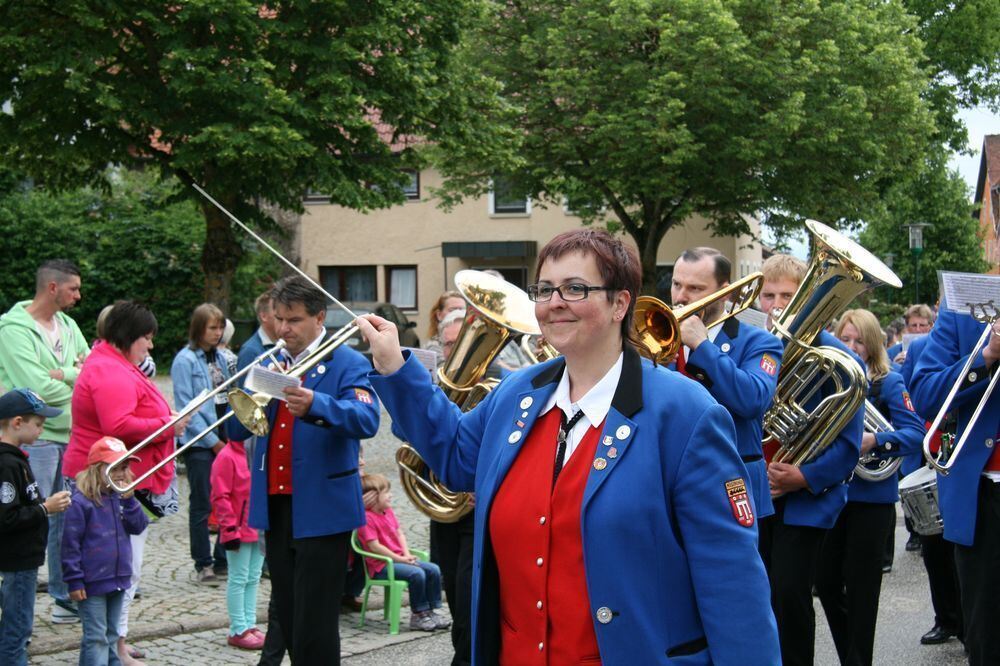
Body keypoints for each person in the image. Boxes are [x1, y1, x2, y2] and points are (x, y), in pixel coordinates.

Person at [359, 228, 780, 663]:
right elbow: (456, 456)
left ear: (620, 303)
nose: (554, 302)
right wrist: (395, 367)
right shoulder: (515, 393)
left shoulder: (687, 413)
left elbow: (732, 584)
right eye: (544, 289)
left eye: (575, 288)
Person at [227, 275, 381, 664]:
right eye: (278, 319)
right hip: (276, 506)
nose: (283, 329)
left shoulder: (346, 361)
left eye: (293, 320)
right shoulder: (270, 361)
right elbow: (233, 429)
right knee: (290, 613)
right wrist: (244, 394)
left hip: (323, 507)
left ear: (319, 317)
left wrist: (317, 404)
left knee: (315, 619)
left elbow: (367, 419)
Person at [756, 254, 866, 666]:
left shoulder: (839, 358)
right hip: (753, 492)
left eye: (789, 294)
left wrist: (801, 476)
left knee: (788, 593)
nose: (778, 304)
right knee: (755, 593)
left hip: (803, 499)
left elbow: (849, 448)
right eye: (769, 295)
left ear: (808, 298)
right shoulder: (753, 349)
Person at [66, 301, 187, 665]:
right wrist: (167, 424)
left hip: (115, 478)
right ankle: (111, 645)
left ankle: (114, 642)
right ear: (127, 336)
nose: (150, 346)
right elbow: (117, 426)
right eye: (146, 338)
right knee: (120, 568)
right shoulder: (109, 369)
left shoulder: (113, 363)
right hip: (106, 481)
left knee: (123, 566)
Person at [815, 309, 925, 665]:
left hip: (871, 499)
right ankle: (853, 655)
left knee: (863, 592)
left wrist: (872, 439)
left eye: (858, 341)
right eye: (843, 339)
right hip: (832, 494)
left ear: (873, 344)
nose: (849, 347)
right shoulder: (829, 378)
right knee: (827, 582)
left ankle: (859, 659)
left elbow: (914, 435)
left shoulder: (887, 382)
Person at [910, 301, 1000, 666]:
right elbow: (925, 394)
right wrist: (987, 355)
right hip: (987, 498)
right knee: (989, 641)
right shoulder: (964, 308)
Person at [0, 259, 89, 623]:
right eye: (73, 289)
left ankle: (63, 597)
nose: (78, 296)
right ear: (53, 288)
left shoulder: (67, 325)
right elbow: (34, 390)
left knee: (64, 518)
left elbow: (92, 366)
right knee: (28, 518)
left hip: (67, 433)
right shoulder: (12, 329)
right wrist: (76, 378)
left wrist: (66, 373)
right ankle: (17, 606)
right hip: (33, 440)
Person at [669, 247, 783, 518]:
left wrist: (702, 346)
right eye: (676, 285)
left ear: (726, 291)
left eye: (695, 288)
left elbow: (753, 400)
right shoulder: (659, 338)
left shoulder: (761, 342)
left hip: (733, 485)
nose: (681, 297)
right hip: (671, 482)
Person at [899, 333, 964, 645]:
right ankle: (947, 619)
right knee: (935, 547)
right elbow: (916, 394)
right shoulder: (922, 347)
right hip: (937, 450)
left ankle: (968, 623)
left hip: (967, 455)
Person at [62, 437, 148, 666]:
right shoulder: (80, 502)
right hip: (92, 581)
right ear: (97, 469)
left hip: (118, 578)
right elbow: (70, 544)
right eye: (114, 468)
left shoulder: (120, 497)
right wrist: (74, 580)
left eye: (124, 467)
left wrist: (130, 501)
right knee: (96, 637)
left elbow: (138, 526)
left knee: (110, 634)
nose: (120, 474)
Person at [0, 389, 71, 666]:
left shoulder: (17, 458)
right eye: (39, 424)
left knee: (19, 626)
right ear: (17, 422)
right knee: (16, 630)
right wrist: (45, 508)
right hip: (16, 561)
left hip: (25, 559)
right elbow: (6, 518)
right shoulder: (6, 464)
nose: (42, 430)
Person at [172, 303, 232, 585]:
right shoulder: (185, 360)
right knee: (202, 502)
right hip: (199, 442)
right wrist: (212, 442)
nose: (217, 333)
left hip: (223, 435)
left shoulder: (219, 357)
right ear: (199, 328)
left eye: (220, 327)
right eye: (212, 328)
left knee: (227, 498)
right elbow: (187, 408)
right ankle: (203, 563)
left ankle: (223, 558)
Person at [358, 473, 449, 631]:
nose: (391, 495)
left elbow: (399, 533)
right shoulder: (366, 519)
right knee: (416, 574)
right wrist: (399, 559)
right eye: (386, 492)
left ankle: (431, 611)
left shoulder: (388, 512)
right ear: (372, 497)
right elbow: (375, 547)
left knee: (433, 569)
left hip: (400, 560)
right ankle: (418, 614)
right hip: (382, 566)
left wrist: (406, 555)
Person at [211, 437, 266, 650]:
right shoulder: (226, 456)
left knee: (254, 577)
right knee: (239, 577)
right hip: (238, 529)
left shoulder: (258, 451)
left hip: (257, 526)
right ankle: (238, 628)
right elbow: (220, 496)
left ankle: (250, 624)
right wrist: (229, 528)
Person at [237, 291, 278, 376]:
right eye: (275, 309)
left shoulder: (283, 344)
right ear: (264, 316)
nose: (280, 313)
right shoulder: (249, 351)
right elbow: (244, 388)